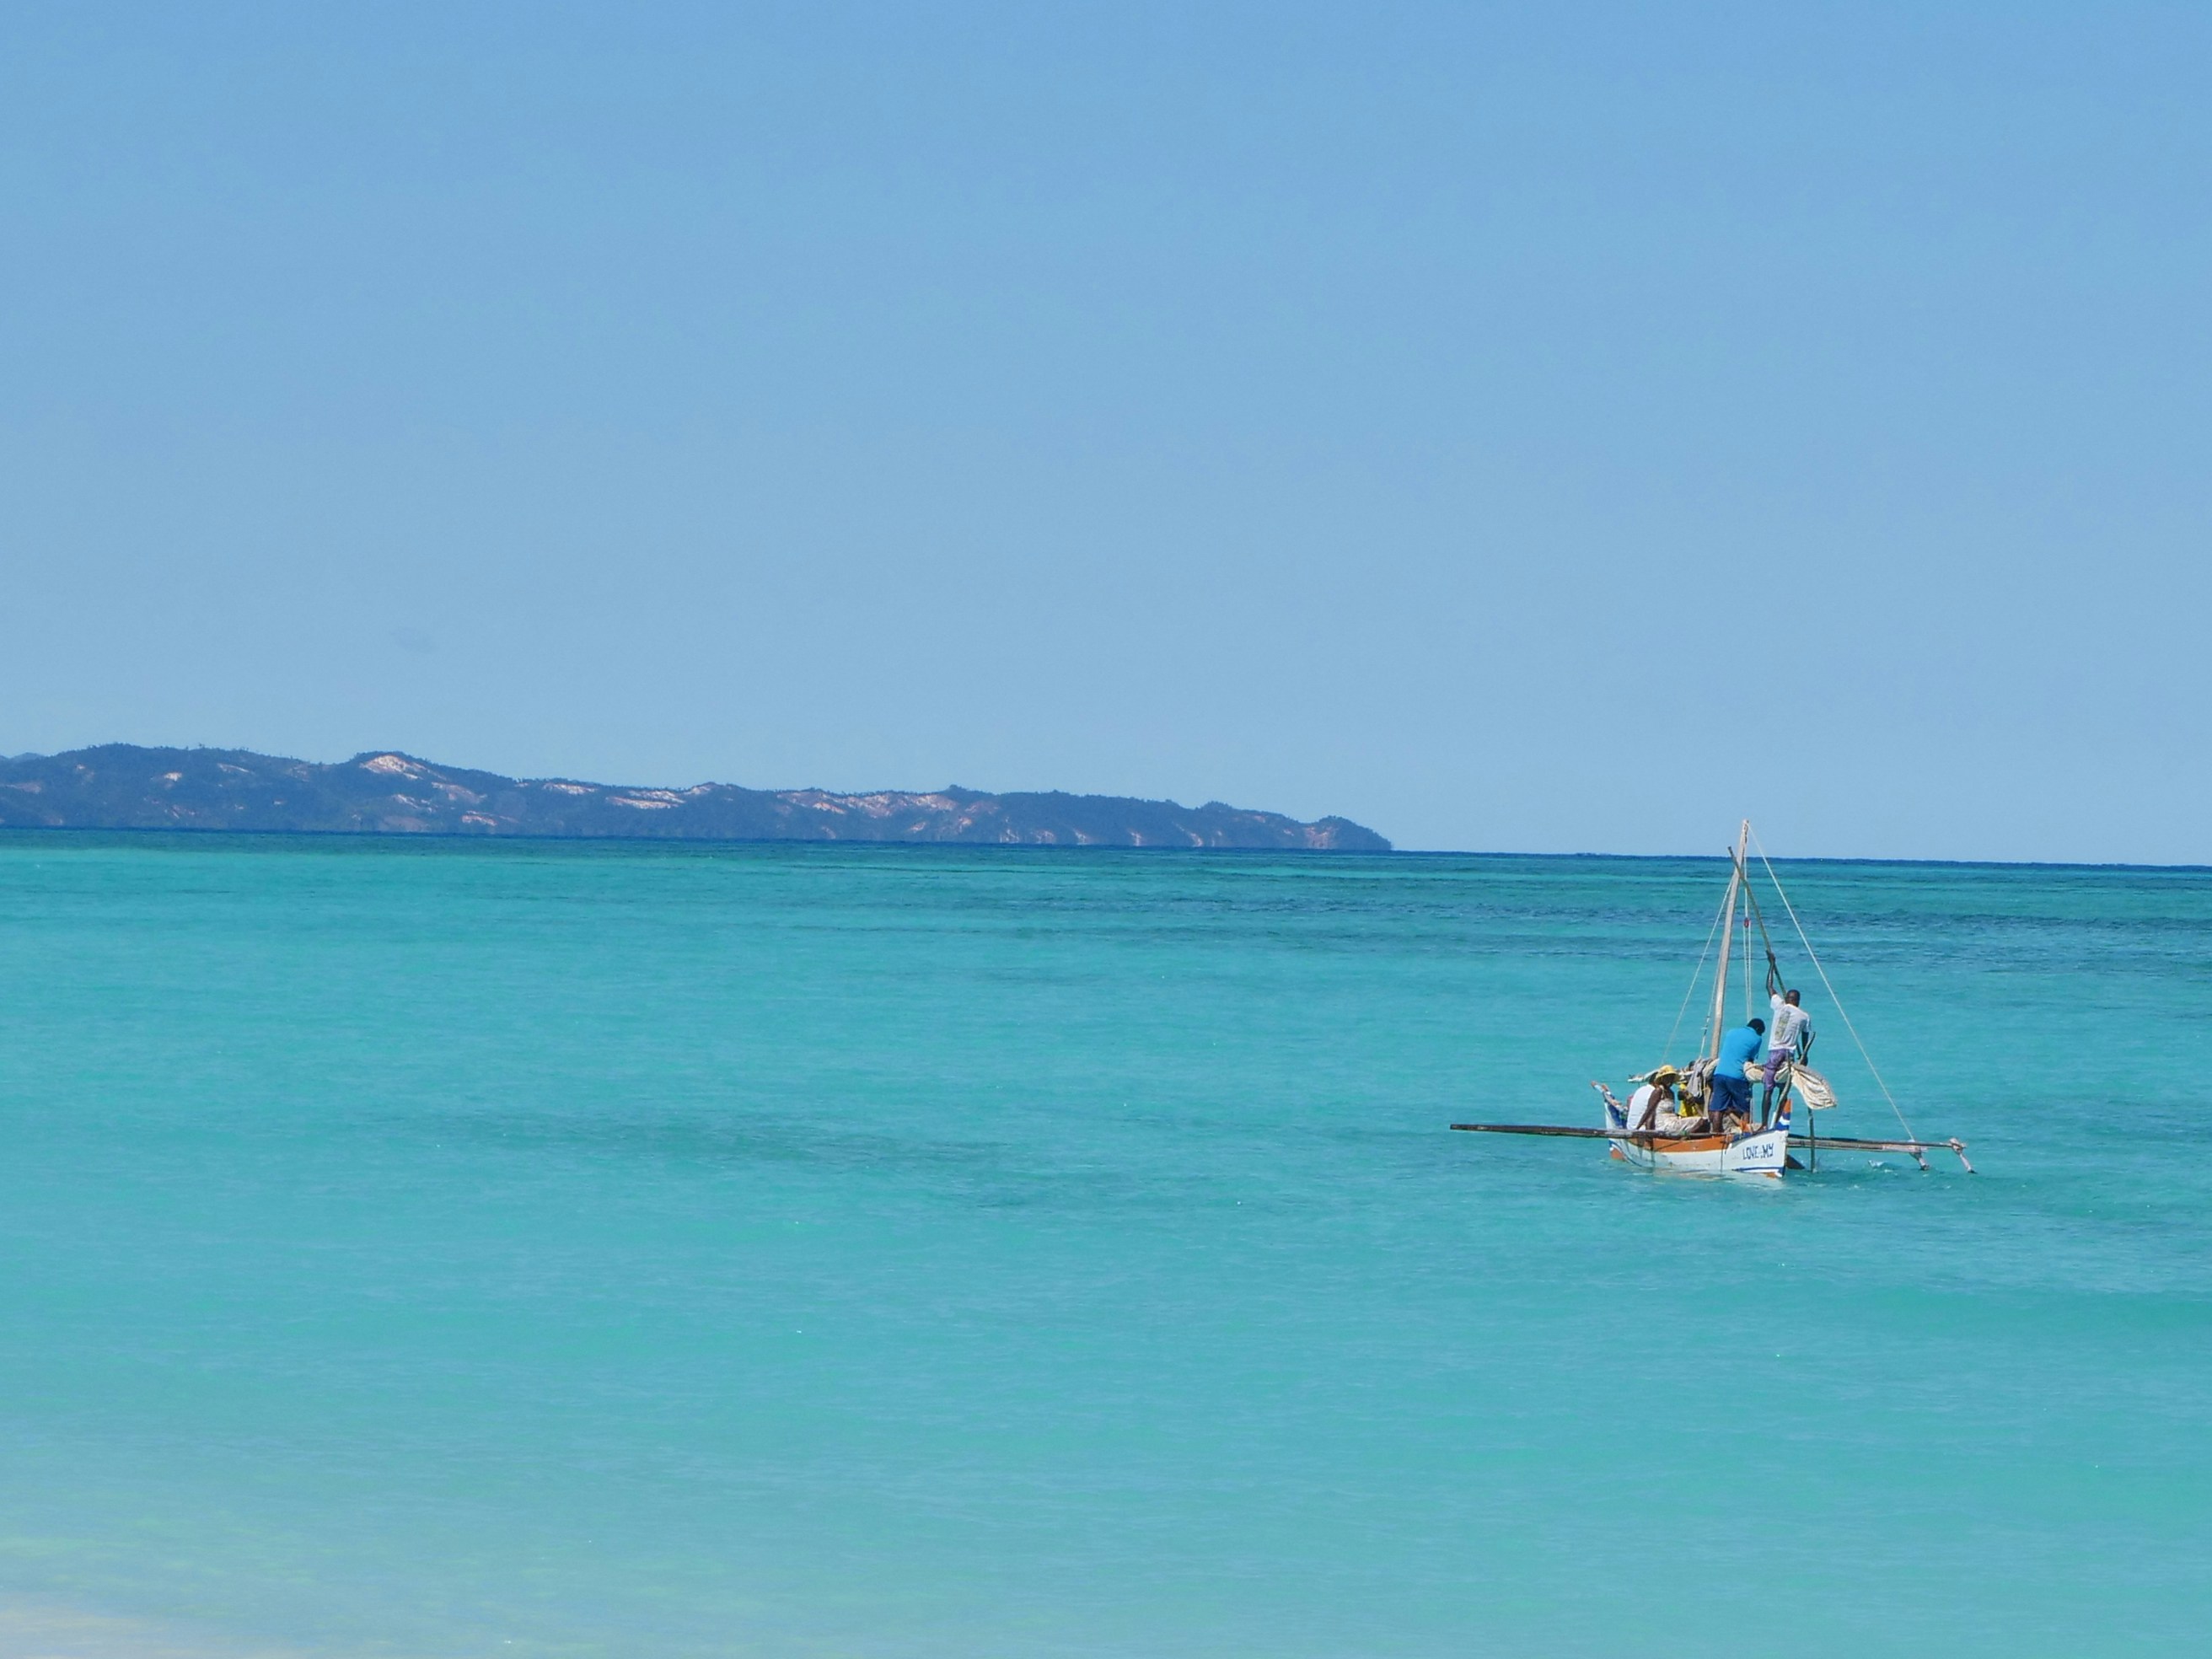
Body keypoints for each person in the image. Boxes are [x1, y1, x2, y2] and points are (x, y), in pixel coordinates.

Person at [1762, 989, 1812, 1121]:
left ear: (1787, 998)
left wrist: (1771, 969)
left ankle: (1764, 1123)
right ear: (1798, 1001)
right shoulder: (1804, 1016)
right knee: (1783, 1090)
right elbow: (1804, 1038)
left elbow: (1769, 986)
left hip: (1774, 1052)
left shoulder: (1780, 1006)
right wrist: (1804, 1056)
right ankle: (1777, 1119)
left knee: (1768, 1090)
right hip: (1788, 1054)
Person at [1711, 1017, 1764, 1129]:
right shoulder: (1757, 1038)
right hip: (1737, 1077)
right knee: (1745, 1108)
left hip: (1719, 1074)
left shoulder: (1731, 1032)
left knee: (1718, 1108)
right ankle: (1746, 1132)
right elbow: (1750, 1060)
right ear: (1758, 1029)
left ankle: (1716, 1135)